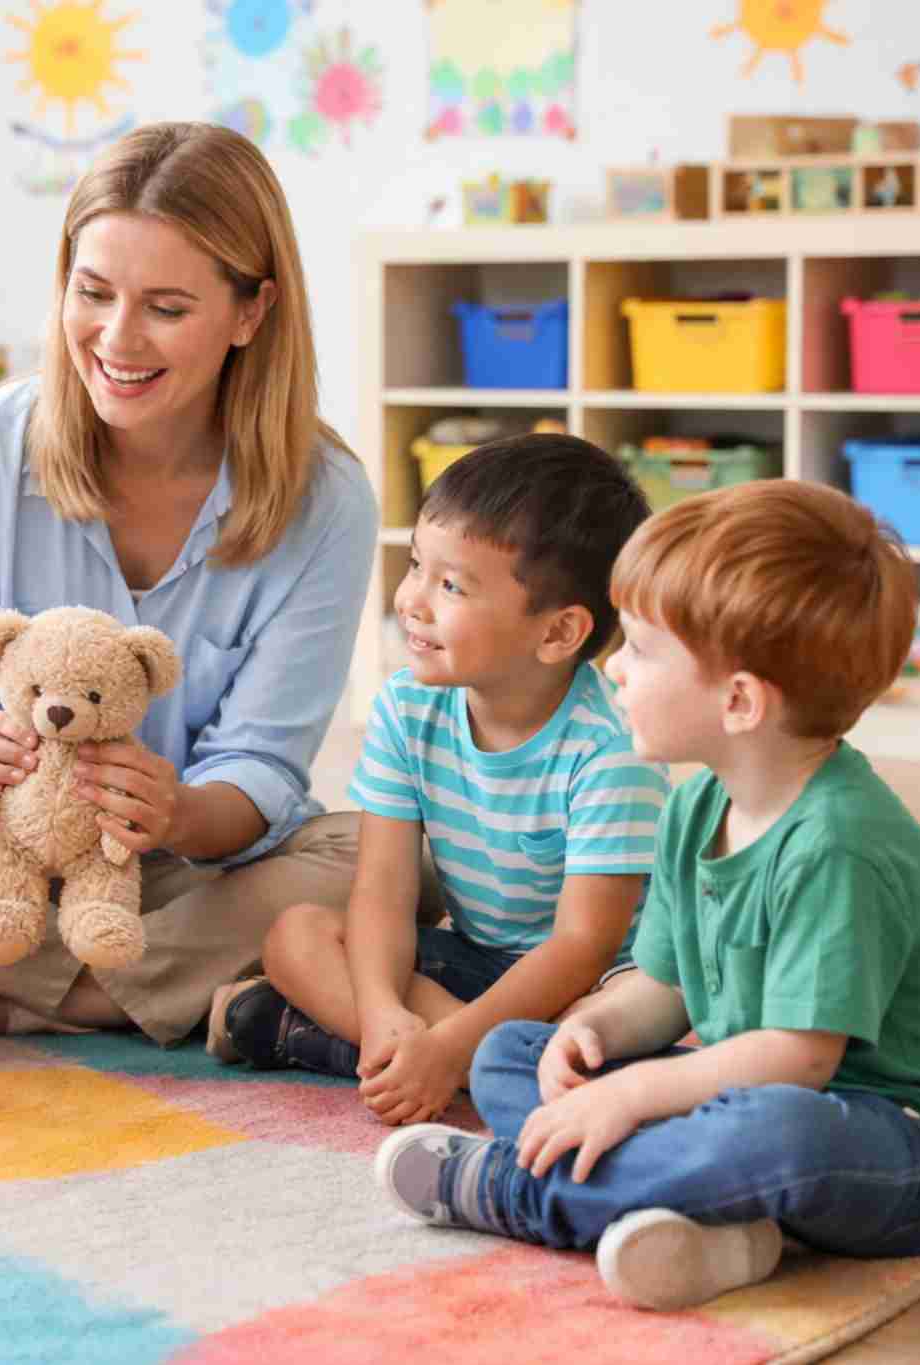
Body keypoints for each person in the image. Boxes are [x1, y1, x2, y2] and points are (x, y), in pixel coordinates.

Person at [0, 121, 379, 1049]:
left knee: (386, 862)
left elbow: (264, 769)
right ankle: (130, 993)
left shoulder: (323, 499)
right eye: (92, 293)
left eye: (166, 308)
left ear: (251, 313)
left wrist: (176, 809)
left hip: (179, 869)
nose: (116, 339)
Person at [375, 481, 920, 1311]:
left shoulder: (838, 841)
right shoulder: (695, 803)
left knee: (776, 1136)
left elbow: (798, 1059)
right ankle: (727, 1227)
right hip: (761, 1099)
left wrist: (634, 1093)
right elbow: (666, 986)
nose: (612, 666)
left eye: (640, 649)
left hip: (916, 1149)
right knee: (510, 1053)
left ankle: (522, 1192)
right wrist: (592, 1038)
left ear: (740, 701)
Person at [211, 435, 668, 1128]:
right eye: (418, 565)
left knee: (599, 1030)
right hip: (476, 963)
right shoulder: (407, 706)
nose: (414, 600)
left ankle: (381, 1052)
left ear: (558, 632)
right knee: (297, 934)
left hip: (593, 984)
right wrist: (385, 1011)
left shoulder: (611, 750)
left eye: (451, 585)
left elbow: (582, 947)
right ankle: (450, 1064)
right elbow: (384, 894)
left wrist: (450, 1041)